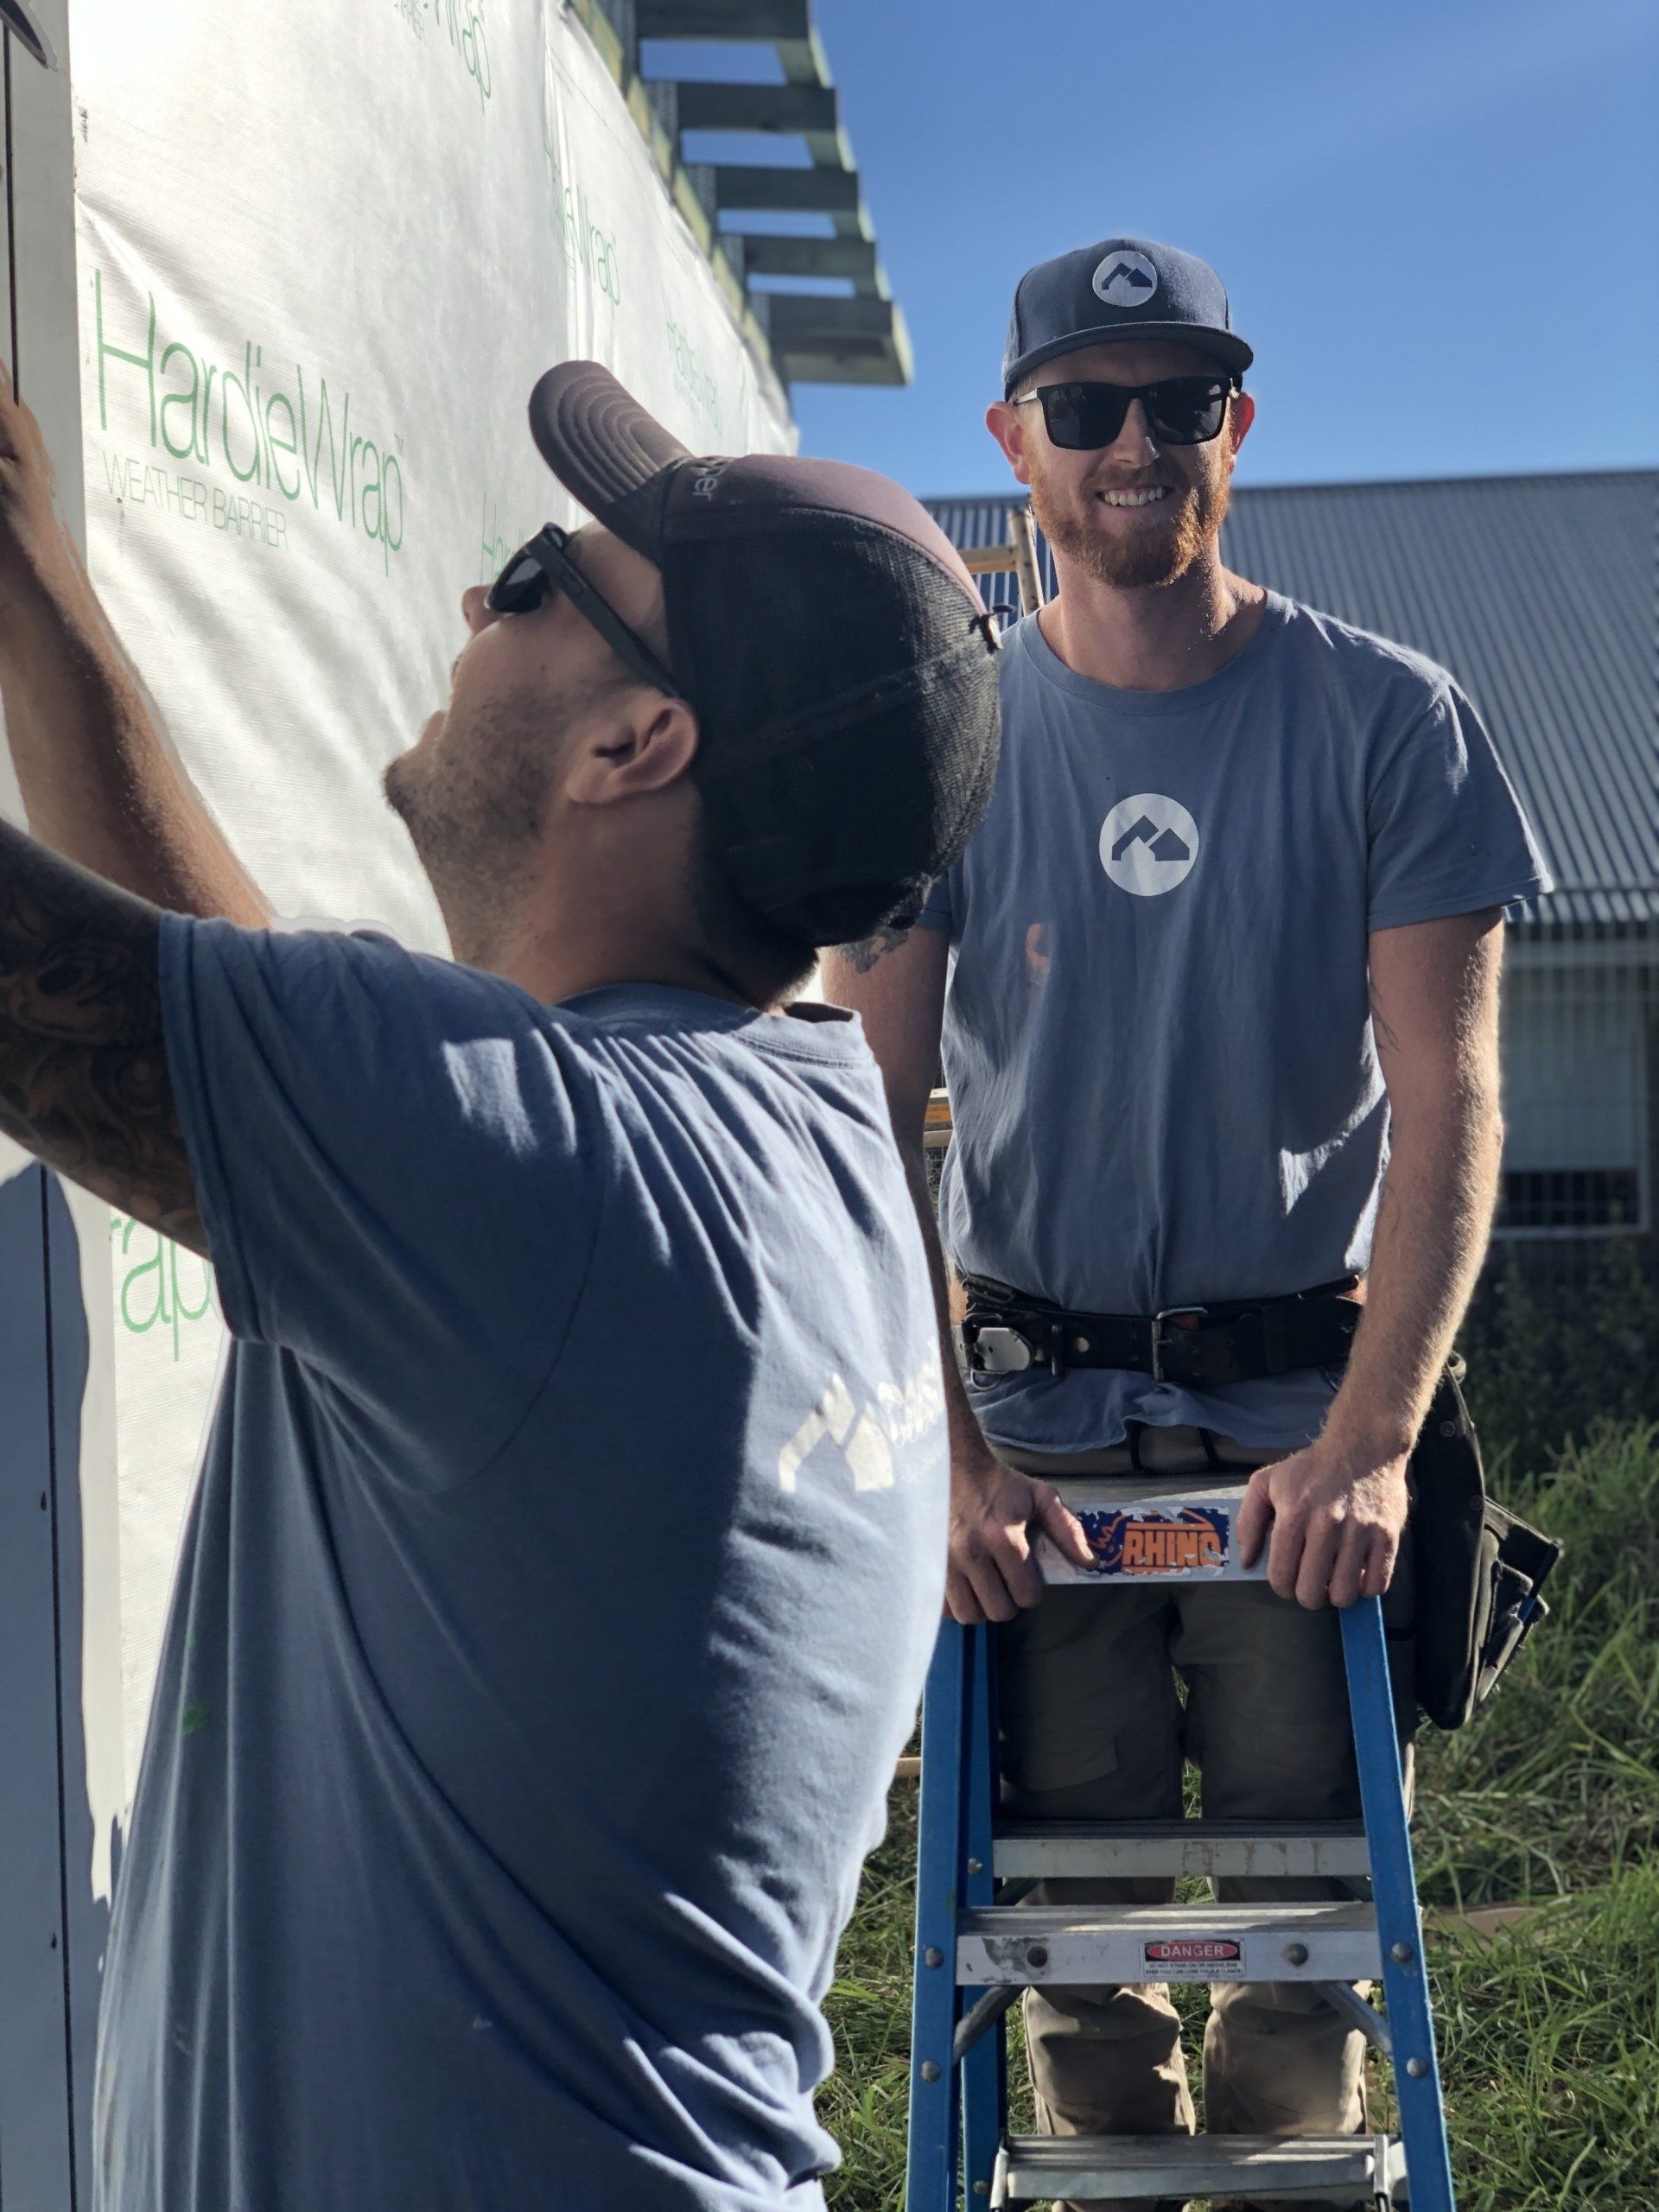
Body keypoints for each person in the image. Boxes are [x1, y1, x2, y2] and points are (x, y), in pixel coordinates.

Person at [0, 357, 1003, 2211]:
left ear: (639, 743)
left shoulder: (552, 1185)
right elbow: (251, 1032)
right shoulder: (793, 1143)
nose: (479, 599)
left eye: (539, 573)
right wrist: (28, 570)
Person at [824, 234, 1549, 2209]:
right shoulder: (945, 746)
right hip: (1038, 1433)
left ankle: (1281, 2180)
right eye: (1087, 407)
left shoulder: (1391, 721)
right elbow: (869, 1116)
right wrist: (949, 1463)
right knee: (1072, 1889)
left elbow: (1452, 1102)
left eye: (1180, 399)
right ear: (1015, 442)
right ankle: (1113, 2182)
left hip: (1295, 1421)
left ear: (1237, 421)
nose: (1136, 442)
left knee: (1316, 1867)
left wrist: (1380, 1436)